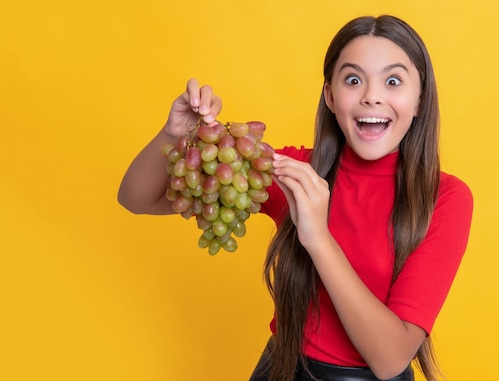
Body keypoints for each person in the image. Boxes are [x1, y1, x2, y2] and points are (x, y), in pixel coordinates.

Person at [118, 14, 473, 381]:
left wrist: (318, 238)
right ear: (331, 97)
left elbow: (390, 360)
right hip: (281, 370)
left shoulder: (445, 198)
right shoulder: (294, 171)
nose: (371, 96)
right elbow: (138, 198)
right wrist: (172, 133)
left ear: (419, 100)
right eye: (353, 80)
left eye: (393, 80)